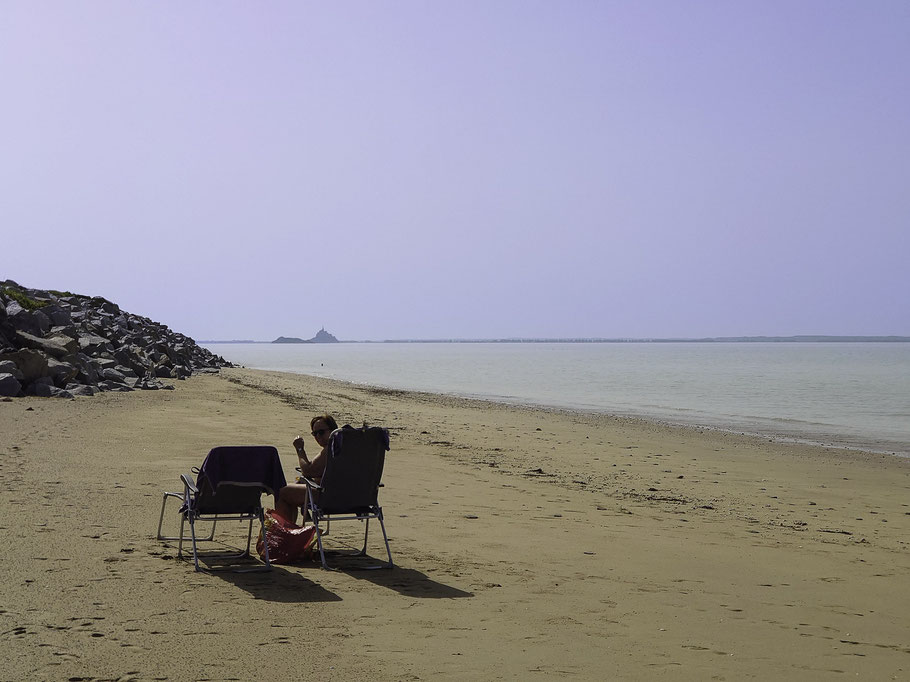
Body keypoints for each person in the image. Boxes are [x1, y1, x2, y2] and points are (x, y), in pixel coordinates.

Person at [274, 414, 338, 524]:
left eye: (321, 432)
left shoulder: (331, 448)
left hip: (331, 497)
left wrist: (300, 449)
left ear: (333, 430)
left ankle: (285, 532)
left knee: (282, 492)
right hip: (357, 497)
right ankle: (291, 529)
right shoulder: (349, 448)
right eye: (315, 433)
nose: (318, 436)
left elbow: (308, 471)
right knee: (299, 483)